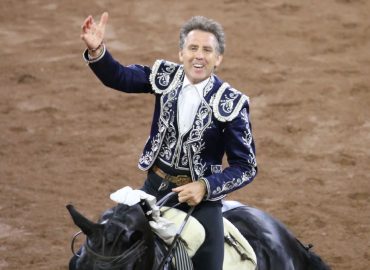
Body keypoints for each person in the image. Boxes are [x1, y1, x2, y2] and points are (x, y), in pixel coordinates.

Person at [80, 12, 257, 270]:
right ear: (181, 53)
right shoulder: (166, 77)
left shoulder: (231, 103)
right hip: (153, 188)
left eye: (207, 50)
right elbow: (120, 77)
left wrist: (204, 187)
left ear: (218, 59)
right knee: (105, 248)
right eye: (192, 48)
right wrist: (97, 51)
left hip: (199, 203)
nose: (199, 55)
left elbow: (246, 166)